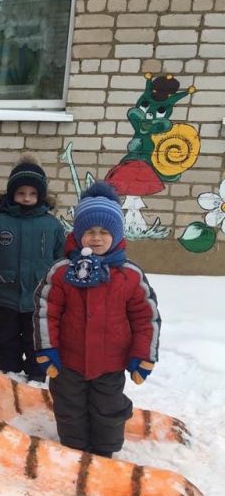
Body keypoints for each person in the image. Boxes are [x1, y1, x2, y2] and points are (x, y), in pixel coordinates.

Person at [33, 181, 160, 458]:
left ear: (117, 235)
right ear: (79, 234)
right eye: (90, 231)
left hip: (110, 364)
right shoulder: (62, 271)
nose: (97, 238)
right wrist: (47, 349)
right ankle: (75, 452)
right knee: (69, 408)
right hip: (68, 362)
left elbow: (145, 318)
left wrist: (142, 356)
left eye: (104, 232)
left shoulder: (129, 275)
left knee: (109, 409)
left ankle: (104, 454)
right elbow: (46, 311)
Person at [0, 156, 65, 381]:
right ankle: (7, 374)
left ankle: (36, 376)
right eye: (21, 193)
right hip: (4, 291)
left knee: (35, 339)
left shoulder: (51, 225)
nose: (26, 198)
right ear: (11, 194)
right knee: (4, 335)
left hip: (38, 295)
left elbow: (60, 259)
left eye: (32, 193)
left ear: (40, 195)